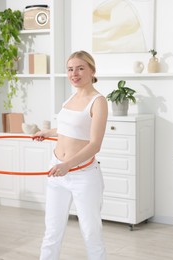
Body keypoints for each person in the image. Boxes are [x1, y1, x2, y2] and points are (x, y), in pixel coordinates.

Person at [33, 50, 108, 260]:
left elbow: (95, 144)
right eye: (70, 69)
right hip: (57, 171)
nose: (74, 73)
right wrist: (48, 132)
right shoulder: (71, 98)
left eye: (80, 68)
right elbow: (68, 128)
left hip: (83, 175)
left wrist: (68, 165)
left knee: (91, 232)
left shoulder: (98, 101)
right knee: (52, 231)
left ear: (92, 70)